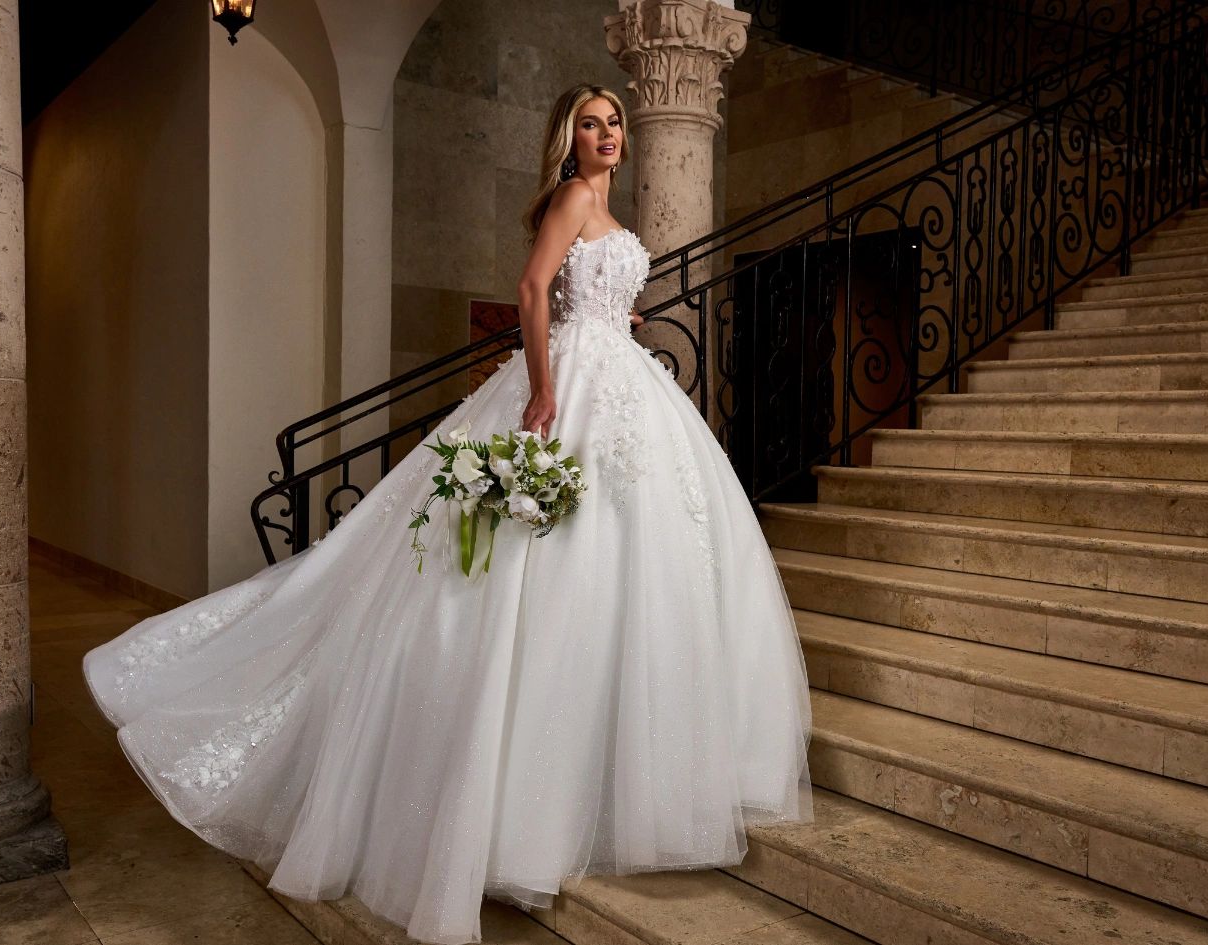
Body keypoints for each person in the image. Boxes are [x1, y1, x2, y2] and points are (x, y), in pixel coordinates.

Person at [83, 84, 812, 945]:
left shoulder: (601, 211)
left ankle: (574, 778)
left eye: (615, 121)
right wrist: (544, 388)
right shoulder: (574, 196)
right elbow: (532, 288)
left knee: (619, 568)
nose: (608, 134)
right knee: (540, 569)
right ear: (567, 139)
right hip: (573, 382)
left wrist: (618, 314)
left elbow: (584, 288)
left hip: (617, 369)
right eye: (591, 123)